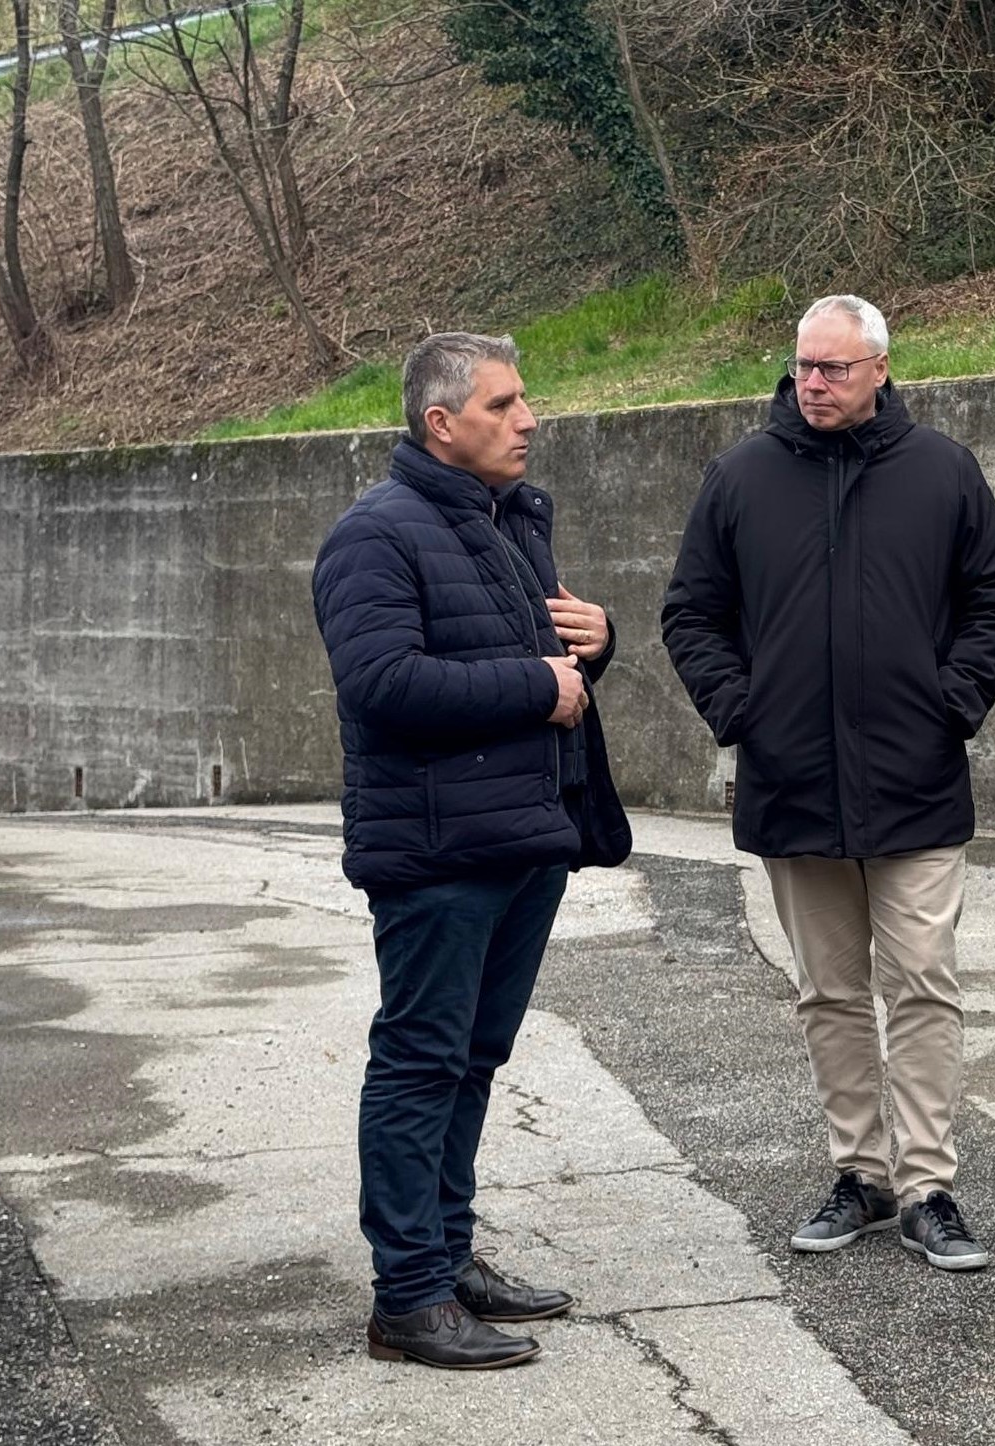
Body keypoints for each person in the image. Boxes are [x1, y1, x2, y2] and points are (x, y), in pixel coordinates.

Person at [662, 295, 995, 1271]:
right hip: (792, 781)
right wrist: (742, 713)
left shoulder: (942, 471)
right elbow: (692, 612)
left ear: (879, 368)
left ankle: (928, 1188)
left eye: (832, 368)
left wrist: (950, 703)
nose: (811, 384)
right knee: (828, 992)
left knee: (921, 987)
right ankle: (859, 1174)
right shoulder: (740, 475)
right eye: (802, 367)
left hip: (917, 783)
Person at [312, 332, 629, 1368]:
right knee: (419, 1060)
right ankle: (406, 1298)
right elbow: (383, 684)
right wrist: (540, 684)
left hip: (525, 835)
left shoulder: (507, 521)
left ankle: (446, 1258)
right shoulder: (376, 535)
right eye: (503, 404)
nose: (528, 419)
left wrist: (594, 643)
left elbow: (541, 660)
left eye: (524, 399)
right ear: (441, 423)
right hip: (440, 854)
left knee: (474, 1060)